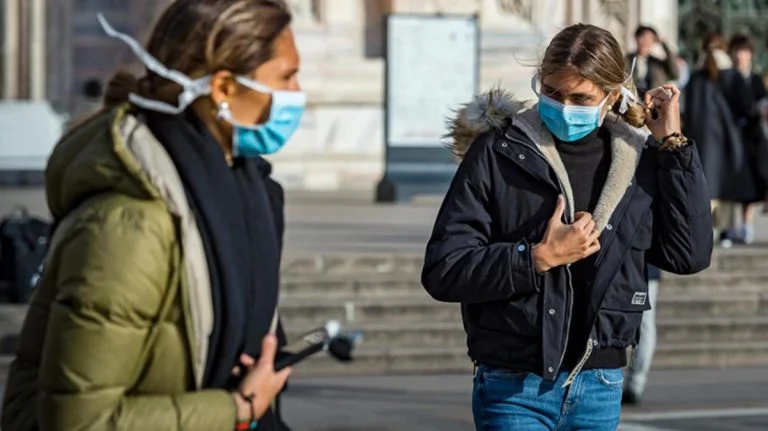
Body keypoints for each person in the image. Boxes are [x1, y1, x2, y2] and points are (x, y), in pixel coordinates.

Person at [1, 1, 303, 430]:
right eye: (287, 77)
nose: (298, 92)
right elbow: (81, 420)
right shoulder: (130, 226)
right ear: (223, 88)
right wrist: (236, 409)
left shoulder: (249, 192)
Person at [422, 23, 713, 430]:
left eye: (581, 99)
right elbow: (444, 268)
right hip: (514, 384)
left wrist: (673, 145)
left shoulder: (637, 161)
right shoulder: (500, 151)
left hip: (600, 384)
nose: (564, 107)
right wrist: (535, 259)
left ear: (612, 96)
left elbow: (689, 254)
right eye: (553, 93)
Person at [682, 33, 750, 248]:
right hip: (728, 139)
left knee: (705, 184)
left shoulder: (696, 76)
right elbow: (746, 106)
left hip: (701, 139)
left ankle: (705, 232)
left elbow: (686, 109)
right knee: (725, 186)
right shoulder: (731, 75)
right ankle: (726, 232)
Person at [720, 34, 768, 244]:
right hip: (732, 136)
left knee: (752, 182)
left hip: (753, 137)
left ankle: (747, 224)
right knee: (733, 182)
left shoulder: (756, 79)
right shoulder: (727, 79)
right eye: (737, 51)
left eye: (745, 52)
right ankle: (731, 226)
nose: (741, 56)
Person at [622, 264, 661, 405]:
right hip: (634, 266)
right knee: (645, 325)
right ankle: (635, 383)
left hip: (643, 267)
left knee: (645, 324)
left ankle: (635, 383)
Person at [627, 25, 680, 97]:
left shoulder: (657, 64)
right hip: (631, 101)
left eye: (650, 39)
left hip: (654, 101)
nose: (646, 41)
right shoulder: (627, 60)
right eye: (643, 37)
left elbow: (675, 73)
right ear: (636, 38)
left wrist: (664, 44)